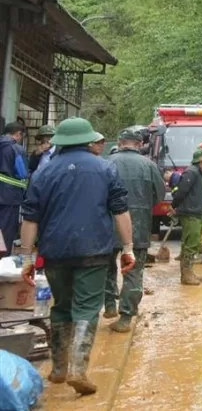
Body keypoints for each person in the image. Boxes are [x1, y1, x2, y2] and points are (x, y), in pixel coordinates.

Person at [19, 118, 134, 396]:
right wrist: (128, 247)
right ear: (87, 140)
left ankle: (58, 367)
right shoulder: (106, 168)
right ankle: (78, 370)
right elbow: (120, 210)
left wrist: (26, 257)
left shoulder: (43, 173)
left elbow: (30, 218)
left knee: (61, 306)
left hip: (55, 251)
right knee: (86, 307)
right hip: (93, 251)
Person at [103, 128, 162, 333]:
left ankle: (109, 305)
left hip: (108, 224)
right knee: (133, 271)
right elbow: (160, 194)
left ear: (120, 143)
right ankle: (126, 317)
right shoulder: (149, 165)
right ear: (139, 144)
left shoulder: (107, 163)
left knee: (106, 266)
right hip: (139, 225)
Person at [171, 147, 202, 285]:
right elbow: (181, 192)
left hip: (197, 212)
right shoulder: (192, 173)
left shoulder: (201, 173)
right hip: (190, 213)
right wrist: (174, 206)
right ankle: (186, 275)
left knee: (191, 243)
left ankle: (188, 273)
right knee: (191, 243)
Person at [0, 122, 28, 254]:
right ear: (18, 134)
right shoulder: (16, 149)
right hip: (9, 196)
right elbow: (22, 173)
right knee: (6, 229)